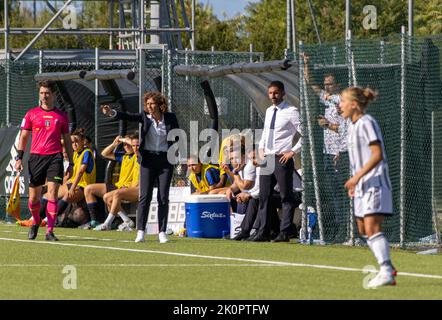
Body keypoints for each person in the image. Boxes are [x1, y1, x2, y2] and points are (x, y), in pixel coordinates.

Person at [101, 91, 179, 243]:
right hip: (147, 160)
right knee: (145, 196)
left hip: (164, 160)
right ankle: (141, 231)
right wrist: (111, 112)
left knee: (163, 197)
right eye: (147, 104)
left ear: (159, 105)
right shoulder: (144, 116)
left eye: (152, 104)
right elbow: (128, 116)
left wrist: (177, 156)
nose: (149, 107)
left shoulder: (170, 118)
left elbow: (177, 137)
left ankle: (162, 232)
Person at [340, 87, 397, 288]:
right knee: (363, 228)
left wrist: (357, 177)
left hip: (375, 182)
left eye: (343, 101)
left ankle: (386, 270)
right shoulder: (352, 126)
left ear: (354, 104)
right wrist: (354, 181)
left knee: (372, 227)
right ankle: (387, 268)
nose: (341, 106)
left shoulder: (366, 122)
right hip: (362, 185)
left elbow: (376, 154)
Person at [14, 80, 74, 241]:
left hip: (55, 157)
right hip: (36, 158)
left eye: (47, 93)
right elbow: (24, 137)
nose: (44, 96)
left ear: (54, 94)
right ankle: (35, 221)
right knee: (34, 198)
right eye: (41, 93)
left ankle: (49, 231)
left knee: (53, 193)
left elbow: (67, 140)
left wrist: (72, 162)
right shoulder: (31, 114)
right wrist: (19, 157)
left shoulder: (61, 116)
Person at [304, 54, 349, 242]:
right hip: (327, 152)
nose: (326, 88)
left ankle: (347, 228)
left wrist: (327, 125)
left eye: (329, 84)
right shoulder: (329, 99)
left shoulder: (342, 101)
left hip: (341, 153)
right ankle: (337, 227)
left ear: (337, 85)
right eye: (326, 84)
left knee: (342, 190)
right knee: (333, 191)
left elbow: (347, 128)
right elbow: (311, 84)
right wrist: (307, 64)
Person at [251, 80, 302, 242]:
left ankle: (285, 232)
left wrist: (292, 151)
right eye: (271, 93)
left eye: (276, 93)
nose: (273, 96)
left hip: (281, 158)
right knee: (264, 196)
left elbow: (306, 134)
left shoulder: (291, 111)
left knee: (286, 196)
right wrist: (260, 150)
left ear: (283, 93)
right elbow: (266, 133)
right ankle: (263, 231)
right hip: (267, 158)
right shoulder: (269, 111)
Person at [83, 134, 137, 229]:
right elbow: (104, 154)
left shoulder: (138, 155)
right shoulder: (123, 156)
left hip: (129, 188)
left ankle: (111, 223)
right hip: (119, 185)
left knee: (109, 197)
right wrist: (114, 144)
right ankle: (94, 220)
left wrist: (125, 140)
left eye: (129, 144)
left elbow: (136, 146)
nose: (127, 146)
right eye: (124, 145)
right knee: (89, 189)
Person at [50, 128, 96, 217]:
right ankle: (36, 218)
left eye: (77, 141)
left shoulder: (87, 152)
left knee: (67, 196)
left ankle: (48, 220)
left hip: (83, 186)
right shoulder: (74, 153)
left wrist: (72, 188)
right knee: (51, 194)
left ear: (83, 141)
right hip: (73, 183)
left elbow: (80, 172)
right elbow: (69, 174)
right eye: (72, 142)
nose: (74, 144)